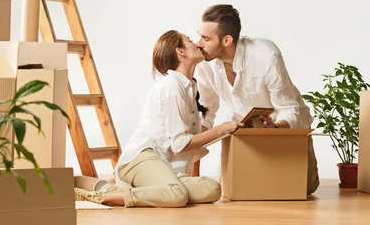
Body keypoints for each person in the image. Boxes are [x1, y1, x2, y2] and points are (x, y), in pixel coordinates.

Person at [74, 30, 243, 207]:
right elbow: (180, 144)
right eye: (190, 40)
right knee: (177, 195)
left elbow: (189, 144)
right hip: (141, 159)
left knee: (211, 188)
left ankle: (122, 188)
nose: (198, 43)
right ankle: (106, 195)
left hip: (164, 166)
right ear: (181, 51)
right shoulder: (172, 87)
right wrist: (221, 129)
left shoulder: (189, 87)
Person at [193, 4, 320, 194]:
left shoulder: (266, 56)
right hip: (245, 131)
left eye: (206, 38)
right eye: (199, 35)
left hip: (283, 127)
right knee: (236, 187)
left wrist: (275, 129)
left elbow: (288, 108)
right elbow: (207, 111)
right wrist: (194, 153)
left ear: (227, 40)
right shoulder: (205, 63)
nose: (198, 43)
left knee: (305, 187)